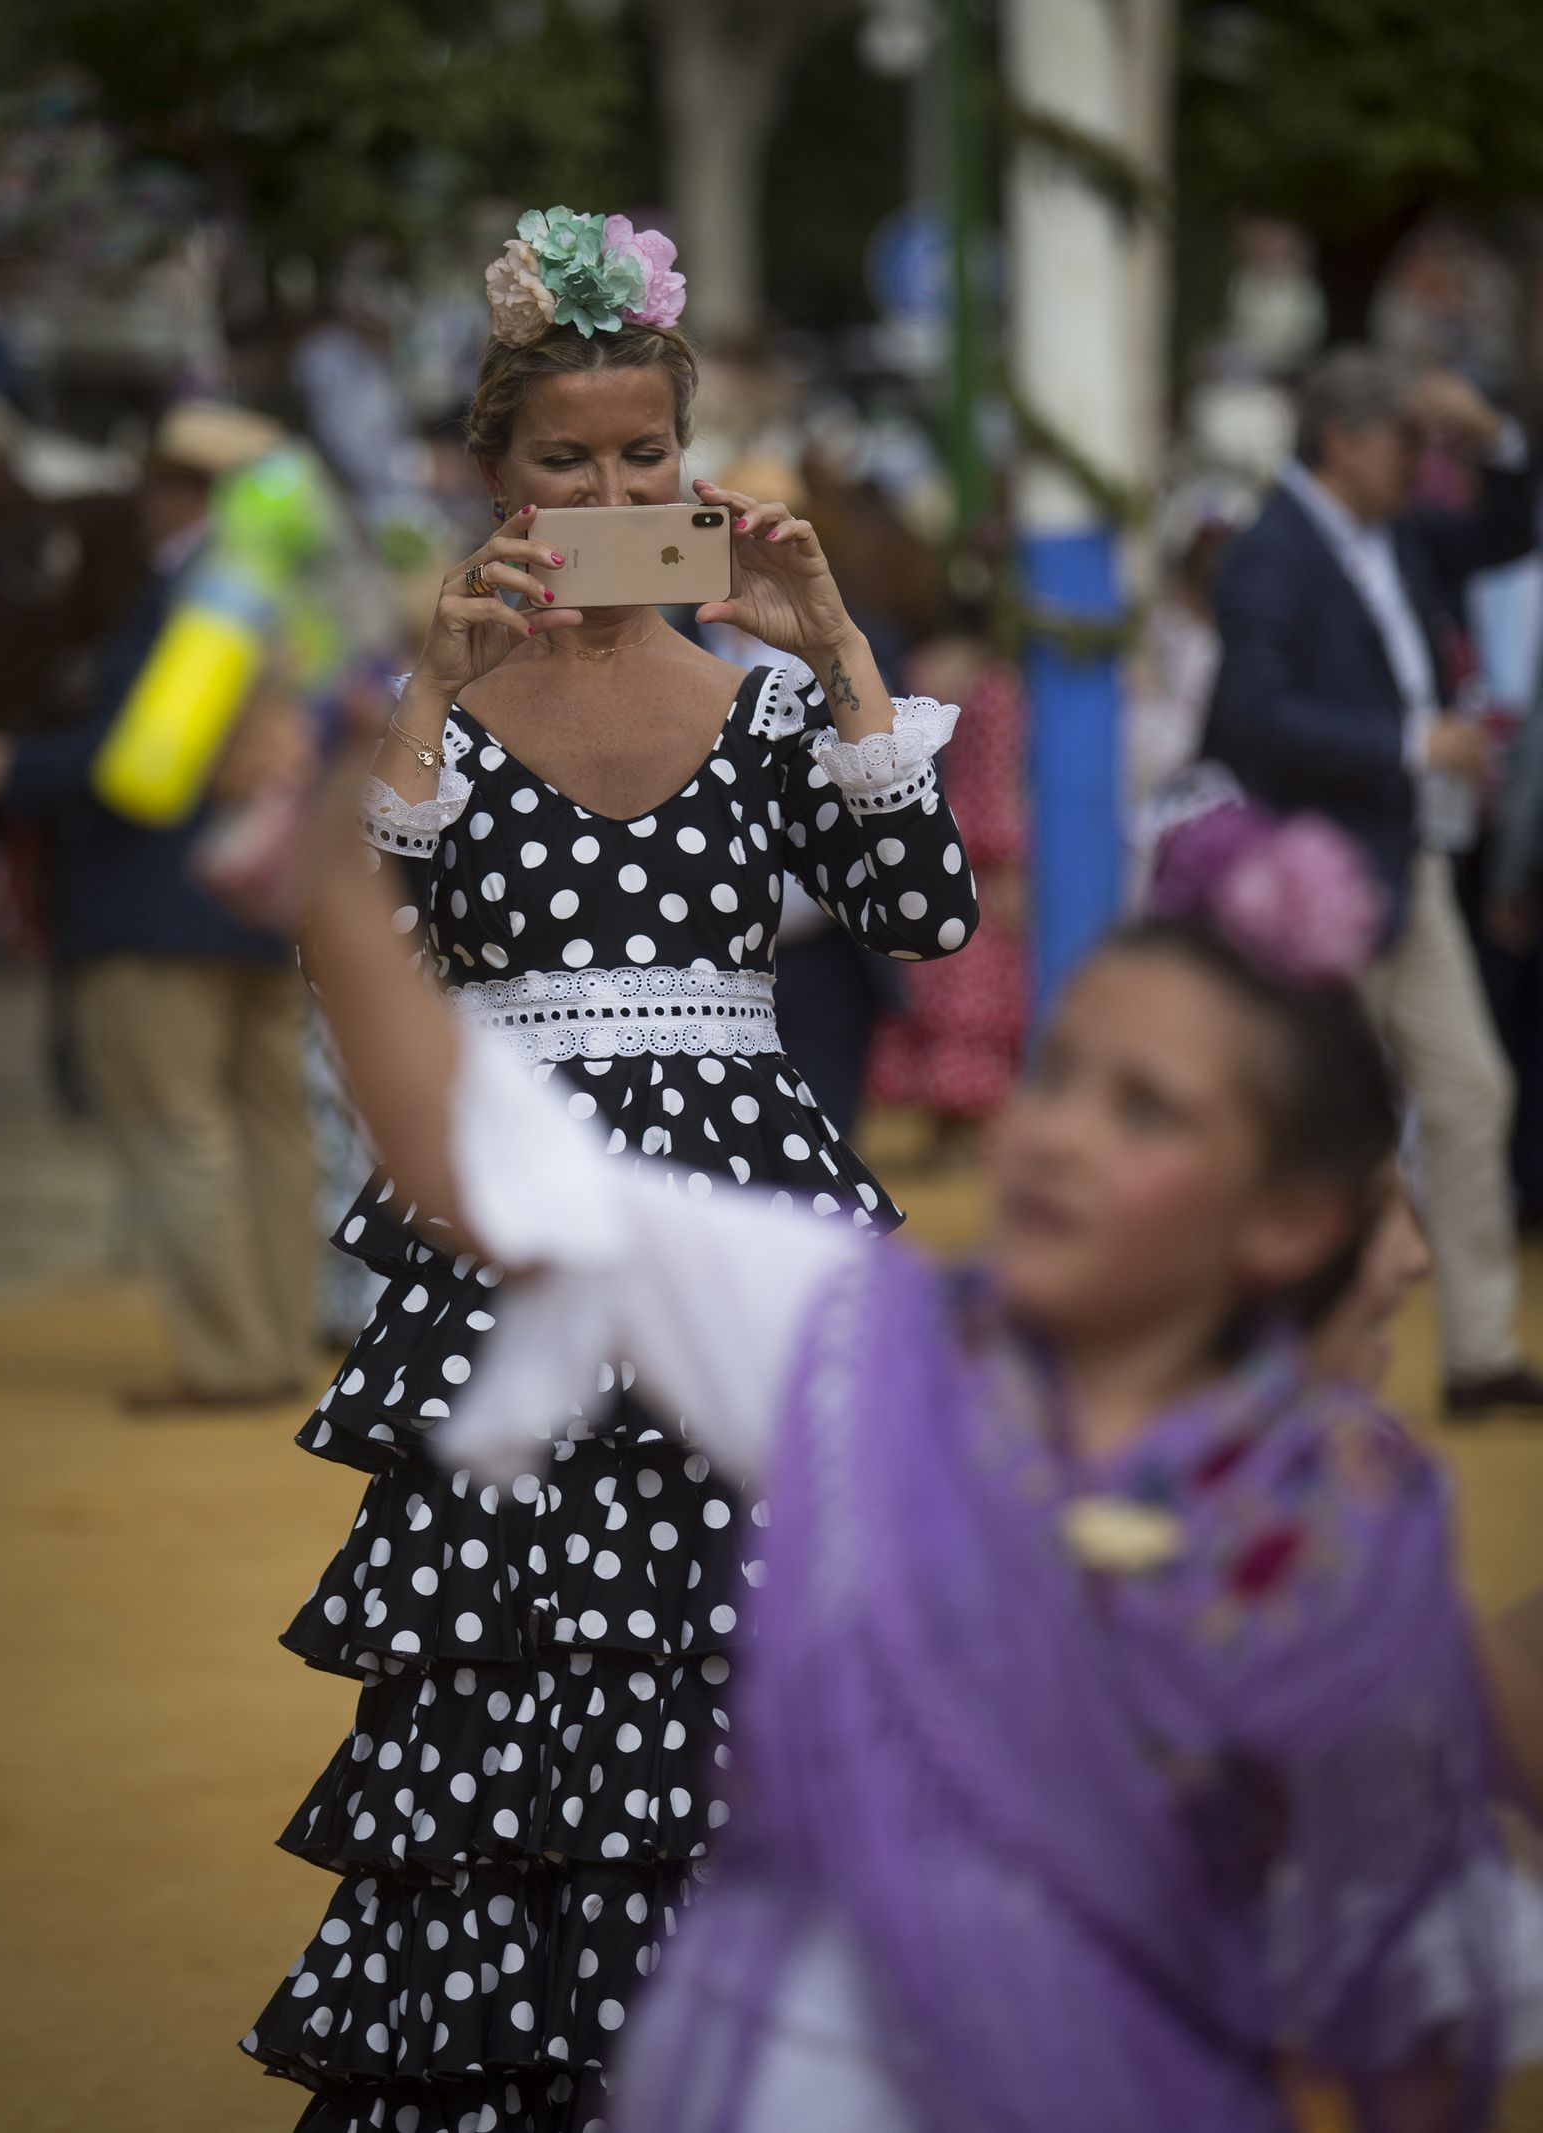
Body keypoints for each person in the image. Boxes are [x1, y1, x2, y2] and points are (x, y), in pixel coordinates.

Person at [231, 741, 1543, 2133]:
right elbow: (493, 1168)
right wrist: (333, 868)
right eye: (1057, 1075)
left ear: (1287, 1218)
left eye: (1145, 1110)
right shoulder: (863, 1345)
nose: (1057, 1136)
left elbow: (1408, 2018)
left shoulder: (1335, 1545)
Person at [238, 206, 978, 2132]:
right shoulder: (444, 716)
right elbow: (353, 964)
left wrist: (835, 640)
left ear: (692, 459)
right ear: (492, 473)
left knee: (751, 1663)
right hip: (519, 1250)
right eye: (564, 461)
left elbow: (925, 913)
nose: (612, 492)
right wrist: (428, 690)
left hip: (744, 1237)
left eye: (646, 454)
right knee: (505, 1684)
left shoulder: (772, 704)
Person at [0, 403, 317, 1411]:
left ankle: (231, 1358)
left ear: (180, 493)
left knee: (177, 1132)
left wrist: (12, 767)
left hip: (159, 902)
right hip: (267, 898)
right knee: (269, 1129)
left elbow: (143, 761)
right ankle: (278, 1338)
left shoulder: (204, 587)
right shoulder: (292, 590)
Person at [1202, 346, 1541, 1418]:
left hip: (1407, 864)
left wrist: (1487, 431)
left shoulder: (1389, 532)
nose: (1421, 459)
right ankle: (1303, 1356)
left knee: (1471, 1092)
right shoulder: (1271, 552)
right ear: (1341, 441)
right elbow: (1249, 723)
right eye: (1405, 439)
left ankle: (1478, 1354)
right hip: (1317, 884)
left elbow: (1507, 530)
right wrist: (1407, 745)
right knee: (1322, 1126)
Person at [866, 628, 1029, 1154]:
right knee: (971, 993)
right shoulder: (998, 687)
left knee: (937, 986)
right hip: (979, 855)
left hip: (924, 839)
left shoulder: (921, 667)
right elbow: (992, 782)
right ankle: (960, 1128)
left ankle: (947, 1127)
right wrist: (1005, 857)